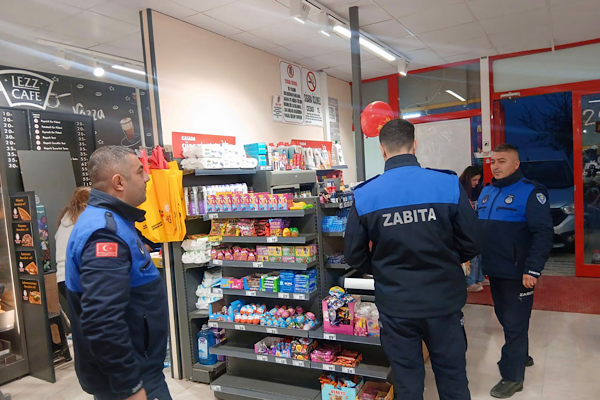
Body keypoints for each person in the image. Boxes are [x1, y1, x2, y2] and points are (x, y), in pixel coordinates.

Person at [345, 119, 481, 400]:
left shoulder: (366, 194)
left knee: (407, 383)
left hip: (397, 304)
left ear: (382, 150)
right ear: (414, 145)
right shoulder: (447, 184)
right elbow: (472, 241)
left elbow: (354, 254)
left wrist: (383, 268)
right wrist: (446, 259)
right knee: (453, 377)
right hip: (443, 300)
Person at [65, 146, 170, 400]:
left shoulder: (115, 222)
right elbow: (102, 318)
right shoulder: (105, 234)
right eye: (140, 171)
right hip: (130, 379)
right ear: (119, 182)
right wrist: (129, 386)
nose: (147, 178)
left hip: (140, 370)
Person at [477, 143, 553, 398]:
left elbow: (543, 233)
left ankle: (512, 377)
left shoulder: (531, 192)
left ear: (516, 164)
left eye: (502, 161)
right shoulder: (487, 192)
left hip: (518, 272)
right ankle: (522, 355)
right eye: (493, 162)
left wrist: (533, 269)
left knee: (514, 323)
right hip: (495, 269)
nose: (496, 166)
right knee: (507, 318)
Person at [55, 186, 91, 333]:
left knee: (81, 321)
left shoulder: (65, 220)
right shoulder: (84, 221)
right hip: (76, 277)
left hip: (61, 279)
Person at [459, 166, 487, 293]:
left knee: (480, 254)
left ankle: (479, 278)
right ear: (468, 178)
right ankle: (470, 282)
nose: (476, 183)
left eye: (478, 180)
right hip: (466, 227)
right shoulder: (460, 191)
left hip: (476, 226)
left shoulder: (477, 191)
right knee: (472, 256)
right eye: (474, 180)